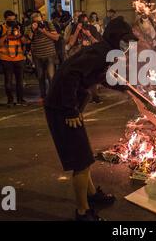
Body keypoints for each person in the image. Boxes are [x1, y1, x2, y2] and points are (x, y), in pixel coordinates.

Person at [44, 16, 138, 221]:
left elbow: (100, 76)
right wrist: (70, 110)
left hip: (67, 106)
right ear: (115, 38)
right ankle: (83, 211)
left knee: (84, 156)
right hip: (62, 109)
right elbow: (70, 75)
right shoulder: (100, 53)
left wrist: (125, 88)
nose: (128, 45)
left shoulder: (104, 51)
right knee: (81, 161)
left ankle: (92, 195)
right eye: (125, 40)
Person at [65, 14, 103, 104]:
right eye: (83, 23)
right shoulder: (75, 28)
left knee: (92, 76)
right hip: (79, 55)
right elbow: (71, 43)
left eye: (86, 22)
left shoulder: (92, 28)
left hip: (90, 55)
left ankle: (95, 96)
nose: (85, 25)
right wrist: (77, 30)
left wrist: (89, 35)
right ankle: (79, 96)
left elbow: (97, 43)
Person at [0, 10, 27, 107]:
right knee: (8, 81)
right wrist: (6, 35)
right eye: (9, 20)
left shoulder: (19, 27)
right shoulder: (0, 28)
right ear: (5, 20)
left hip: (19, 58)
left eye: (14, 20)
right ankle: (10, 100)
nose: (12, 22)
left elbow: (25, 41)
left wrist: (19, 34)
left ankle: (20, 99)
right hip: (6, 58)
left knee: (20, 81)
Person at [25, 12, 59, 103]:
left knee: (51, 76)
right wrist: (32, 30)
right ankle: (43, 95)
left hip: (49, 55)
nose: (39, 23)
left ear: (42, 19)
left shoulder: (48, 24)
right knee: (40, 77)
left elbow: (56, 37)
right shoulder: (29, 28)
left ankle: (53, 95)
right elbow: (27, 41)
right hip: (37, 56)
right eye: (36, 22)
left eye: (40, 21)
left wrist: (44, 31)